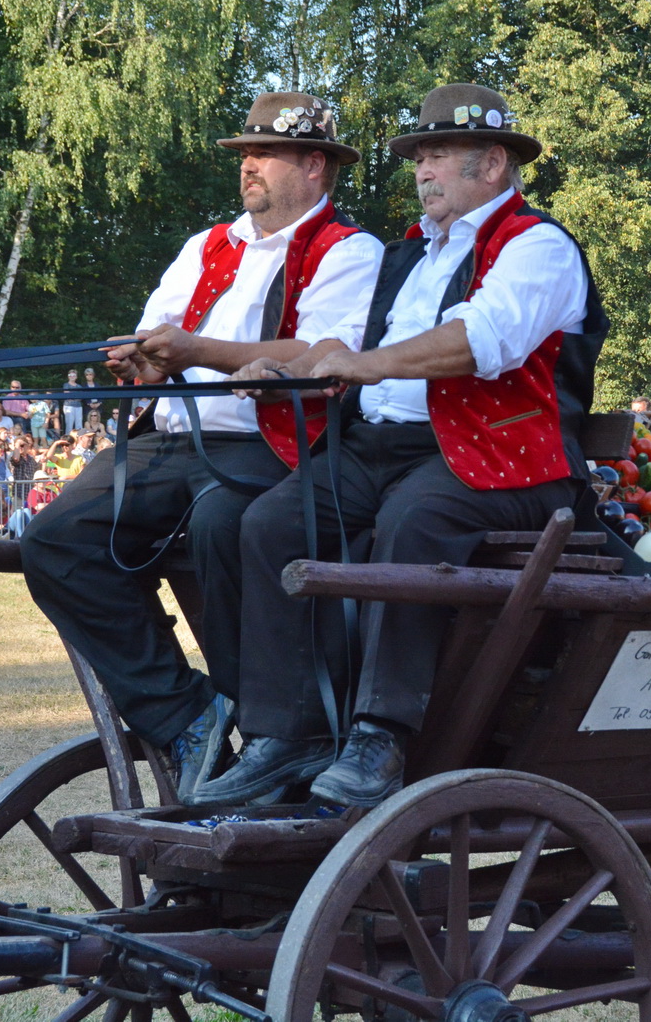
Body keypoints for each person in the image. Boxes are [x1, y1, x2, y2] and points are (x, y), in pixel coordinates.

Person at [199, 82, 608, 809]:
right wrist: (276, 367)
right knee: (268, 521)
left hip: (507, 458)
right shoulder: (406, 255)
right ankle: (284, 733)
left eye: (439, 153)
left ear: (492, 164)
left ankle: (381, 734)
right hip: (390, 448)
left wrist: (366, 365)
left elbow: (482, 339)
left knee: (414, 521)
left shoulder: (537, 245)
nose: (422, 169)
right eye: (419, 155)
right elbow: (341, 345)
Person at [19, 91, 383, 802]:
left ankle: (274, 732)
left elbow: (320, 352)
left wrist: (194, 349)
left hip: (270, 444)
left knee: (226, 524)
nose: (248, 165)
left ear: (315, 166)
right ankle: (187, 714)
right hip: (174, 437)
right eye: (245, 153)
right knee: (55, 540)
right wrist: (146, 363)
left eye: (264, 153)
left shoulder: (350, 251)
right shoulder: (205, 246)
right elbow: (159, 338)